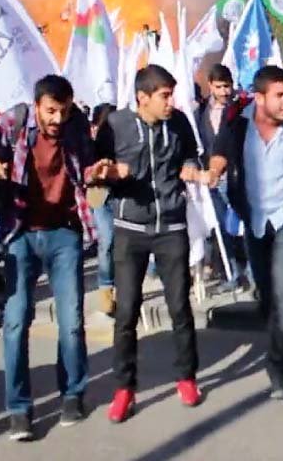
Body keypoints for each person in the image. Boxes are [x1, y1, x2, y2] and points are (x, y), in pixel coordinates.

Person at [0, 75, 102, 440]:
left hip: (64, 232)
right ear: (37, 105)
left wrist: (98, 174)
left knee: (71, 320)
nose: (58, 118)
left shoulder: (77, 126)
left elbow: (87, 168)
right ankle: (19, 408)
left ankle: (73, 394)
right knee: (15, 321)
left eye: (64, 110)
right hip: (20, 234)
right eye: (51, 111)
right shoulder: (13, 123)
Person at [203, 66, 283, 406]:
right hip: (255, 221)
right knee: (271, 302)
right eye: (279, 95)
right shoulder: (238, 123)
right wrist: (214, 171)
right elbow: (220, 152)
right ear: (260, 98)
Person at [96, 65, 203, 423]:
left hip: (172, 226)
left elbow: (191, 155)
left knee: (179, 308)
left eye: (172, 94)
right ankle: (124, 388)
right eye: (164, 96)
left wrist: (190, 167)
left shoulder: (180, 123)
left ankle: (187, 377)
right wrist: (110, 173)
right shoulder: (116, 125)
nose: (171, 102)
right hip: (130, 228)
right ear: (143, 97)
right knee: (125, 313)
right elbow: (98, 169)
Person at [195, 64, 245, 291]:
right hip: (212, 179)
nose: (225, 91)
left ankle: (251, 273)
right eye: (219, 87)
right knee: (222, 229)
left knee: (241, 228)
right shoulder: (200, 112)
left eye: (228, 86)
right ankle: (231, 272)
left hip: (235, 176)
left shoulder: (240, 109)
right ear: (210, 86)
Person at [89, 103, 116, 315]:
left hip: (120, 194)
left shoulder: (121, 138)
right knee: (107, 239)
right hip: (100, 195)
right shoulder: (89, 142)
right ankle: (106, 287)